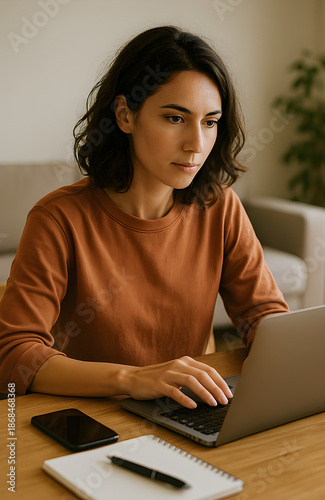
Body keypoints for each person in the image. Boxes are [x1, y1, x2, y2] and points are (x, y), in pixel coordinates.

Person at [0, 26, 289, 408]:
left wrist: (271, 362)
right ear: (125, 115)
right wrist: (132, 378)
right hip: (91, 417)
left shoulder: (220, 207)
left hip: (184, 410)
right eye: (174, 118)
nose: (196, 145)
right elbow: (14, 355)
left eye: (210, 122)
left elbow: (263, 313)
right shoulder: (58, 219)